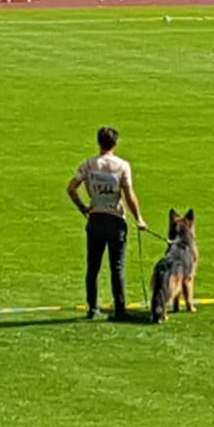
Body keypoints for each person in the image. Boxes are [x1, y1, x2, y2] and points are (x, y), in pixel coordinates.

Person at [66, 125, 149, 321]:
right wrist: (139, 219)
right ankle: (120, 309)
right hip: (115, 220)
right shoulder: (122, 166)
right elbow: (129, 194)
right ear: (116, 143)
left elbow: (71, 188)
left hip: (95, 218)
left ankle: (93, 309)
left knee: (93, 267)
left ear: (98, 142)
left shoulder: (88, 164)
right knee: (117, 267)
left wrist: (83, 207)